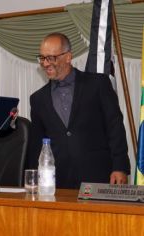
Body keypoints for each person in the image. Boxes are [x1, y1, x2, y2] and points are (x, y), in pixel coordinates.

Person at [26, 32, 130, 189]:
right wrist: (32, 179)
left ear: (68, 57)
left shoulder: (98, 84)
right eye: (42, 58)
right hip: (58, 183)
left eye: (51, 58)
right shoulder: (37, 99)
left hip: (100, 177)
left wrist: (120, 167)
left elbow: (115, 127)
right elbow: (37, 145)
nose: (45, 64)